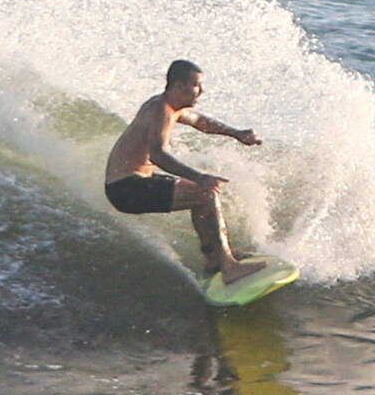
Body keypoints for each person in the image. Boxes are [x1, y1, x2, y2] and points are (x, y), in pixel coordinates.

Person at [105, 60, 266, 284]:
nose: (202, 90)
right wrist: (199, 177)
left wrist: (236, 133)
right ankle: (228, 266)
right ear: (179, 86)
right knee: (205, 193)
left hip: (128, 184)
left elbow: (200, 121)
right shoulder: (160, 110)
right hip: (127, 188)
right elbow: (157, 154)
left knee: (200, 194)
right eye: (196, 85)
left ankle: (214, 260)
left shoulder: (172, 107)